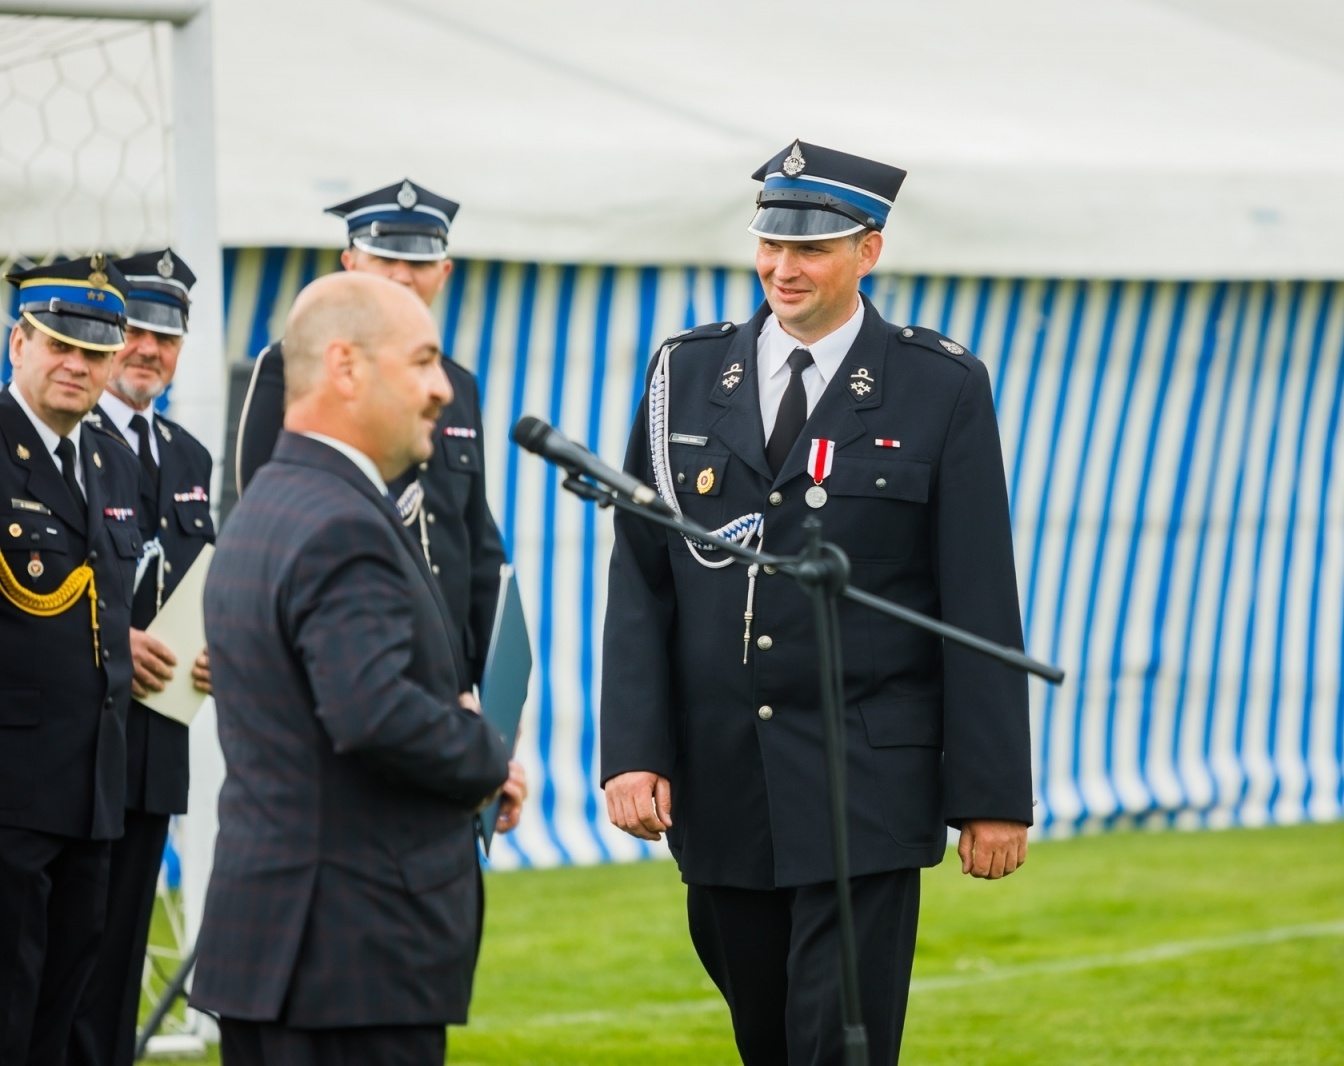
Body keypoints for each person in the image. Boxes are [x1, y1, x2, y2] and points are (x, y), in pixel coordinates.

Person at [601, 141, 1034, 1065]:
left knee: (841, 1044)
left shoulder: (940, 385)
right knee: (763, 1034)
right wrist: (633, 751)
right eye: (770, 244)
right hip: (723, 782)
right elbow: (641, 578)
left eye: (813, 249)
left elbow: (978, 596)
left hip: (864, 779)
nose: (783, 268)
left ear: (869, 250)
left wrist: (992, 795)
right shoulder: (684, 374)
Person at [190, 271, 525, 1066]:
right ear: (345, 368)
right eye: (422, 362)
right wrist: (486, 754)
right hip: (350, 956)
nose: (443, 389)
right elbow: (373, 713)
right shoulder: (342, 522)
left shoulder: (272, 502)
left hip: (282, 950)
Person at [234, 178, 504, 682]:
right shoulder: (294, 362)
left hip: (447, 671)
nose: (402, 276)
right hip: (349, 659)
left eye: (420, 263)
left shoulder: (457, 386)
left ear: (443, 273)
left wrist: (493, 683)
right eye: (384, 258)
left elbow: (477, 540)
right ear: (350, 265)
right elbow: (261, 506)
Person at [0, 255, 145, 1063]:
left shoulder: (106, 460)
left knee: (65, 1009)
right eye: (60, 344)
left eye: (95, 351)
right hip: (12, 789)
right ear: (18, 339)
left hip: (94, 790)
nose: (78, 365)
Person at [71, 249, 212, 1066]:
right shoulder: (66, 440)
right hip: (75, 744)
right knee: (63, 952)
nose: (150, 350)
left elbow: (202, 580)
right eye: (135, 330)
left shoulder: (188, 455)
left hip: (156, 740)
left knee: (122, 950)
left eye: (168, 334)